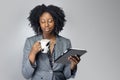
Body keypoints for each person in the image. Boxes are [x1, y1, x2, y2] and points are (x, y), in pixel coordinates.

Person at [22, 4, 80, 80]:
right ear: (38, 23)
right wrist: (33, 53)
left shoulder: (65, 43)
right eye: (43, 21)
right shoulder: (30, 42)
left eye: (50, 21)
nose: (46, 25)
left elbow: (66, 75)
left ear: (56, 21)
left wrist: (73, 65)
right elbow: (26, 74)